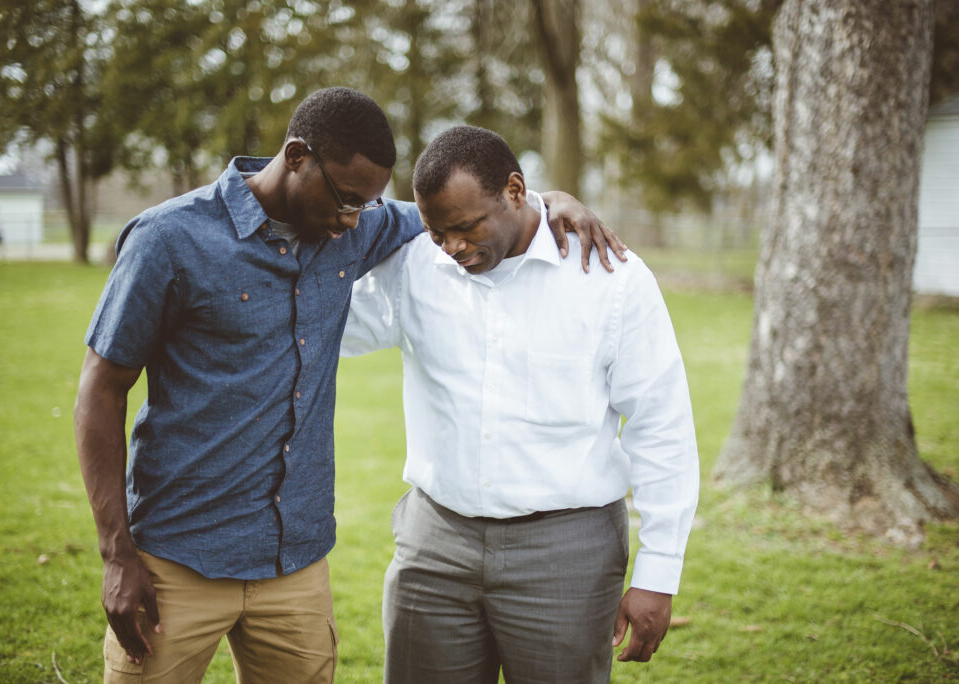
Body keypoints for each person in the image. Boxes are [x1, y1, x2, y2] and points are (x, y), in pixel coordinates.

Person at [74, 88, 624, 683]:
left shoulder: (350, 225)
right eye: (345, 199)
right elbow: (100, 392)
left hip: (295, 566)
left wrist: (549, 200)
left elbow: (476, 210)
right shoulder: (169, 240)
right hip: (177, 561)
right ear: (296, 155)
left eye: (366, 205)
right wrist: (116, 553)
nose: (351, 220)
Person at [341, 125, 700, 684]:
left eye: (465, 227)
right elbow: (316, 327)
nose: (453, 247)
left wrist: (659, 572)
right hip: (434, 547)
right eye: (439, 233)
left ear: (514, 191)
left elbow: (662, 425)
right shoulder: (415, 266)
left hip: (566, 553)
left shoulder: (611, 279)